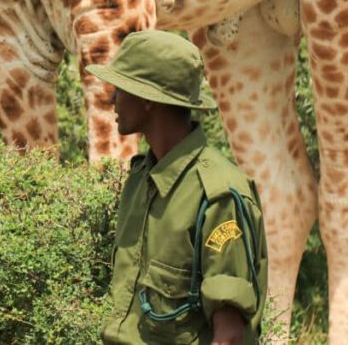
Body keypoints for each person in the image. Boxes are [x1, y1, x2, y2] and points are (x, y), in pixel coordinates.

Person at [87, 30, 268, 344]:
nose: (112, 98)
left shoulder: (217, 195)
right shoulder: (141, 180)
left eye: (122, 87)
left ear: (147, 100)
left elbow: (229, 336)